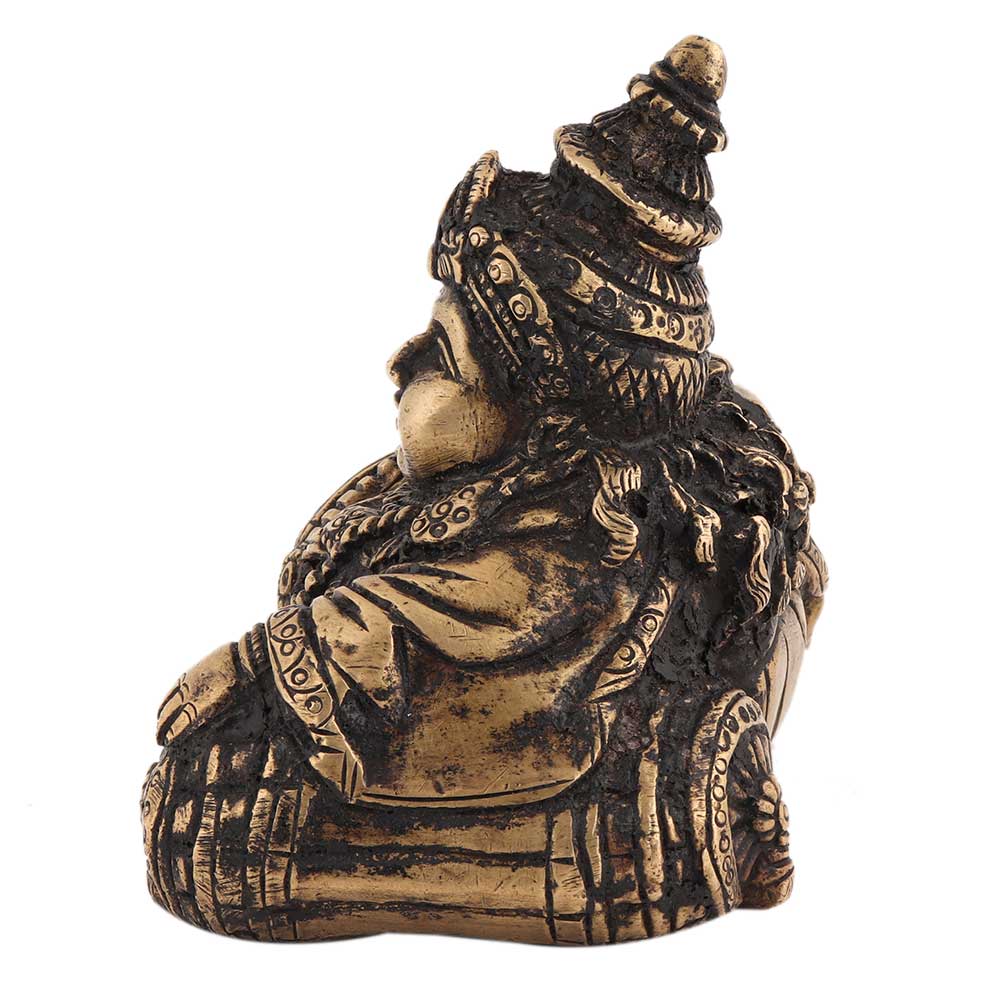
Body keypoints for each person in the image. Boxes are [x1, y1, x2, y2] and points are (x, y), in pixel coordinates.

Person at [142, 36, 826, 944]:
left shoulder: (576, 558)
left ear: (545, 418)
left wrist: (255, 663)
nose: (402, 360)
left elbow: (442, 619)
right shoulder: (472, 496)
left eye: (445, 354)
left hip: (583, 758)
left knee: (193, 816)